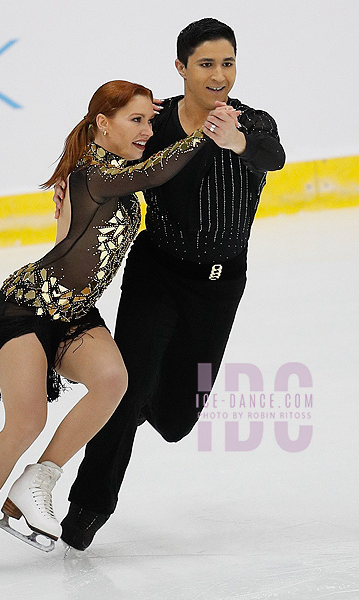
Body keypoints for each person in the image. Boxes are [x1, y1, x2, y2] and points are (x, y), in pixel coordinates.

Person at [0, 80, 213, 577]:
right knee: (26, 421)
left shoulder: (112, 174)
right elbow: (155, 171)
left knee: (113, 381)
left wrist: (164, 109)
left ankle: (38, 480)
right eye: (136, 120)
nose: (147, 130)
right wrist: (203, 131)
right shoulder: (92, 173)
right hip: (30, 307)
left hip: (77, 313)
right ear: (103, 123)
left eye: (150, 120)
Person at [57, 18, 286, 551]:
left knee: (180, 418)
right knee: (127, 387)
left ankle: (143, 399)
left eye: (227, 63)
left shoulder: (254, 122)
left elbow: (273, 158)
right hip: (156, 274)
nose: (219, 74)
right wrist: (70, 191)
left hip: (221, 286)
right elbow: (102, 145)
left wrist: (237, 141)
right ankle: (85, 509)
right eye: (206, 64)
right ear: (181, 68)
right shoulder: (152, 123)